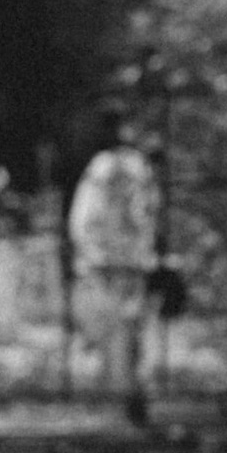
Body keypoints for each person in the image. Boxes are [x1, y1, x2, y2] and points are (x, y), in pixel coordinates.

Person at [68, 122, 161, 423]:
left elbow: (86, 218)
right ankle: (120, 394)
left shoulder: (111, 168)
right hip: (116, 263)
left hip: (117, 263)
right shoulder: (121, 168)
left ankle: (126, 394)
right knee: (119, 329)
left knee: (123, 329)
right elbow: (144, 215)